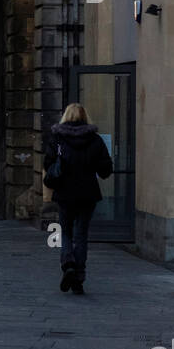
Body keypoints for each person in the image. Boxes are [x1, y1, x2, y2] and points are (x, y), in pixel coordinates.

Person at [43, 102, 113, 295]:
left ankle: (68, 265)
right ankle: (79, 279)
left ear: (66, 116)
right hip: (87, 194)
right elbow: (106, 169)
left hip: (65, 194)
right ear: (85, 117)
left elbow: (47, 163)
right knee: (81, 234)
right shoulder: (95, 140)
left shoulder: (57, 139)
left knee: (65, 231)